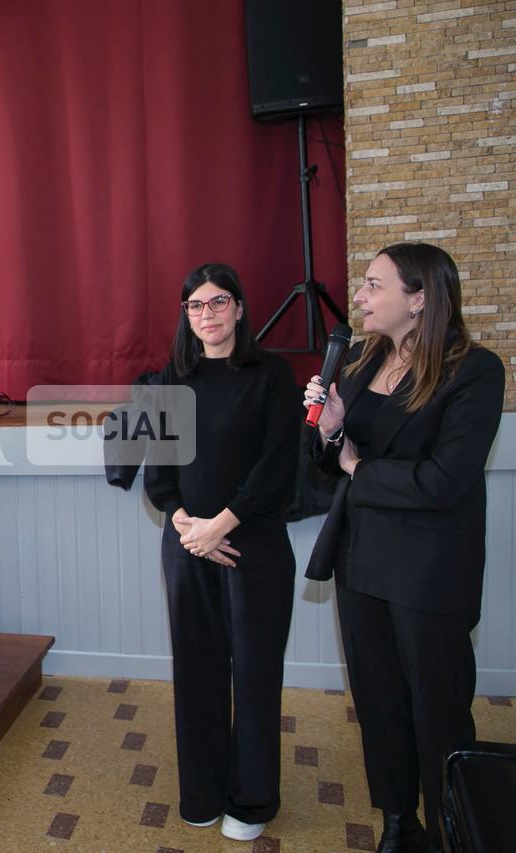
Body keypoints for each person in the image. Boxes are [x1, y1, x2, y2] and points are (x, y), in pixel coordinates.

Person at [303, 243, 504, 853]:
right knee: (379, 700)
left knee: (436, 705)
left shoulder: (475, 370)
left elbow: (445, 481)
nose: (359, 297)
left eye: (373, 285)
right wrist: (331, 424)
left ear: (419, 299)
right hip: (361, 557)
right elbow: (329, 464)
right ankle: (397, 820)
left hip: (429, 569)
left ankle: (449, 828)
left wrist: (361, 467)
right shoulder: (362, 361)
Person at [143, 263, 299, 843]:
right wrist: (186, 524)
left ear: (238, 308)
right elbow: (156, 473)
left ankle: (253, 801)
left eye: (217, 303)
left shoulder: (271, 375)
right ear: (186, 316)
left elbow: (278, 466)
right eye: (195, 306)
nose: (206, 315)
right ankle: (201, 791)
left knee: (255, 674)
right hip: (186, 546)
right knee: (197, 672)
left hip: (251, 543)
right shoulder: (165, 381)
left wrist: (223, 525)